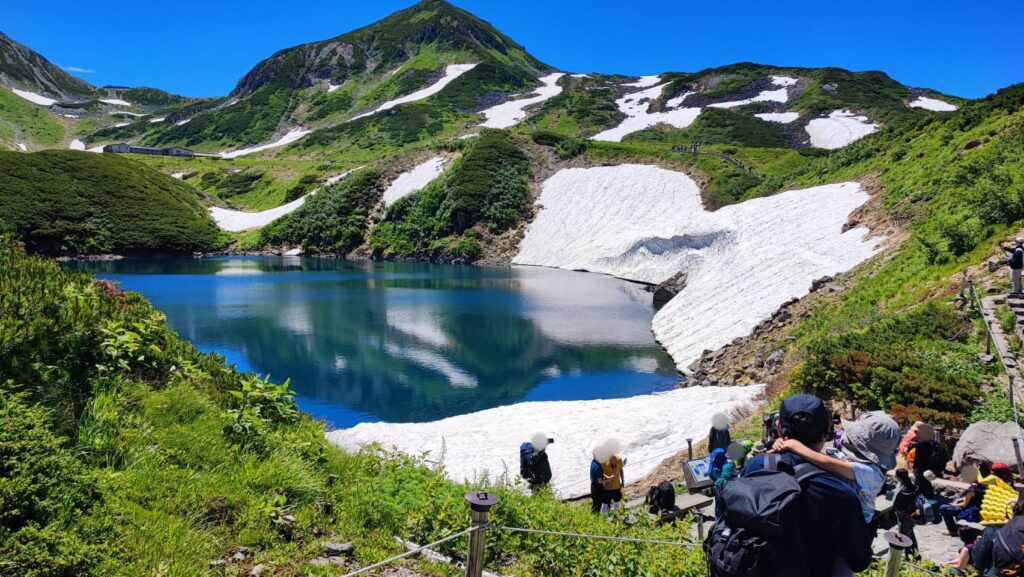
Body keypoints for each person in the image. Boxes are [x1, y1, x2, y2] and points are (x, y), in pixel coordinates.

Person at [742, 394, 873, 576]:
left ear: (779, 428)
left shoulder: (755, 466)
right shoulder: (839, 493)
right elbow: (860, 561)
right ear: (826, 432)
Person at [773, 410, 900, 524]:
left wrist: (793, 445)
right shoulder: (853, 459)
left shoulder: (872, 473)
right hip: (841, 512)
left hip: (857, 522)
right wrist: (782, 442)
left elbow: (824, 461)